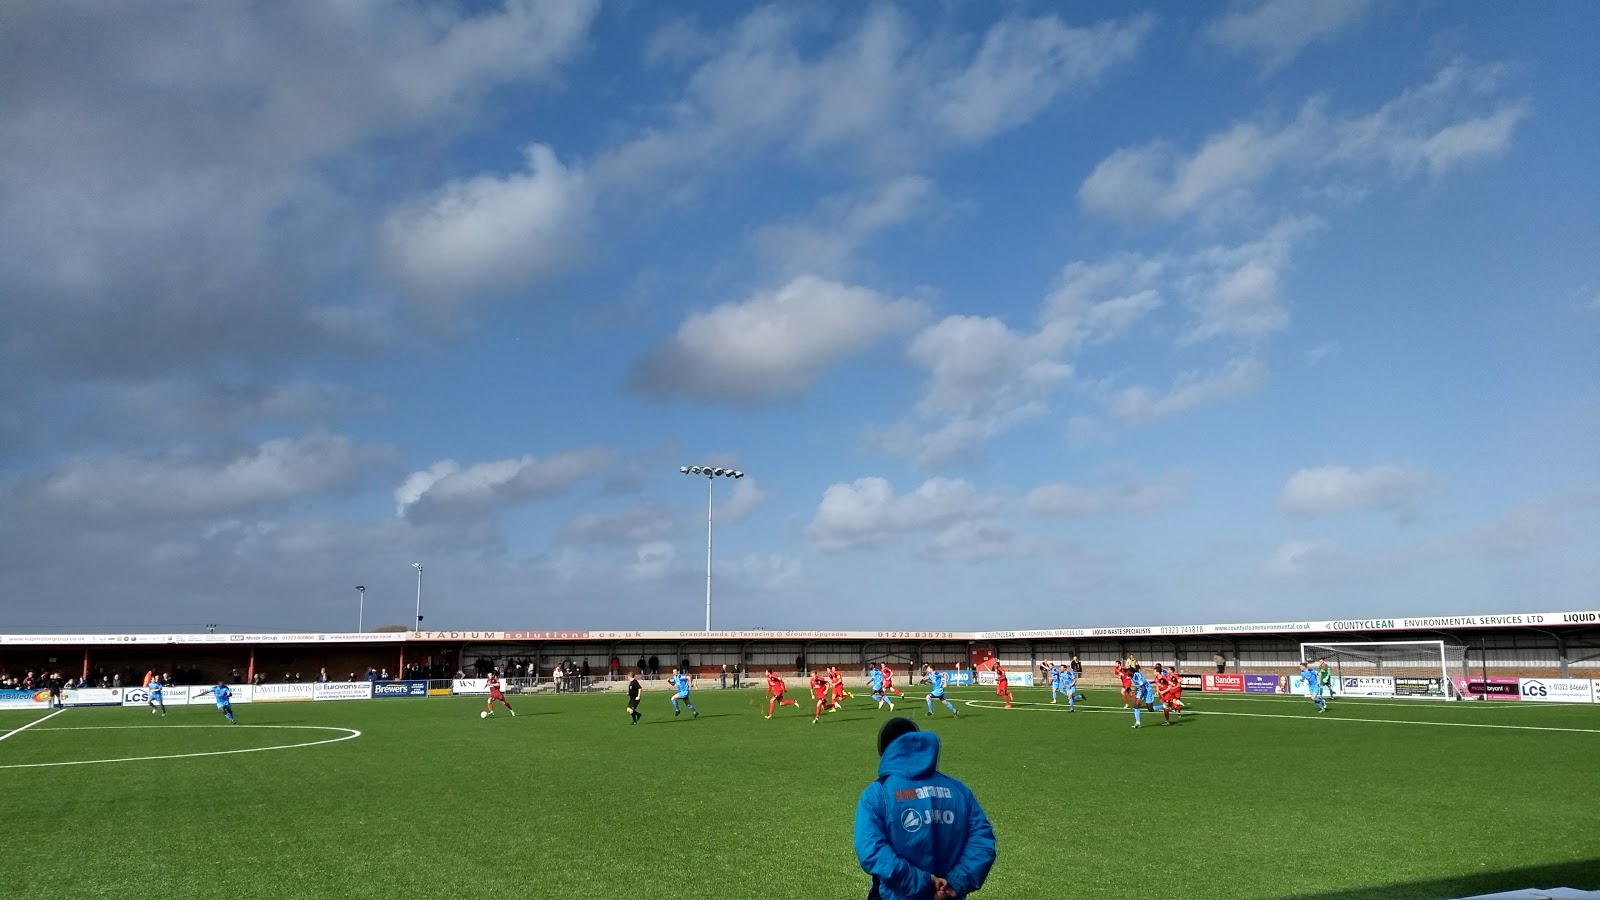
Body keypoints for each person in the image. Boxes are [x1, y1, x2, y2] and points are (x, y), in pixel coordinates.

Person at [854, 718, 995, 900]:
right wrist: (955, 882)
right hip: (948, 895)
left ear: (886, 752)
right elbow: (983, 841)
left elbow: (871, 850)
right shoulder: (958, 789)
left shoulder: (878, 792)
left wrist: (923, 882)